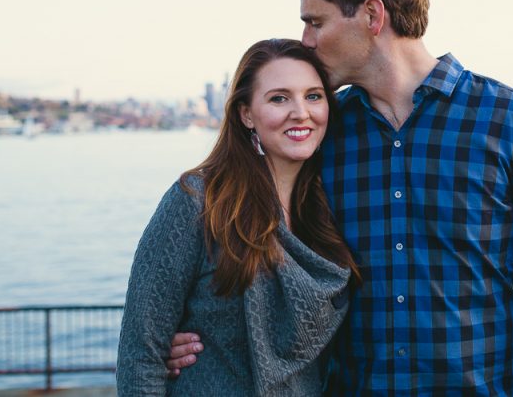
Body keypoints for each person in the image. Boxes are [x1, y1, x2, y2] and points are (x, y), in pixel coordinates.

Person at [169, 0, 513, 396]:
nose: (305, 41)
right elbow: (260, 246)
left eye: (315, 22)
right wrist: (196, 336)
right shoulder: (318, 133)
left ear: (372, 15)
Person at [117, 38, 360, 396]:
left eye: (313, 96)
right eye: (279, 98)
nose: (300, 112)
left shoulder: (331, 206)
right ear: (246, 113)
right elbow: (141, 356)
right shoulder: (198, 201)